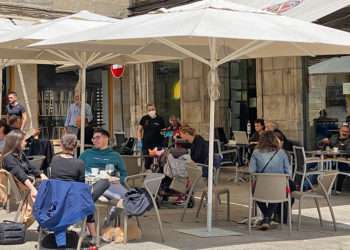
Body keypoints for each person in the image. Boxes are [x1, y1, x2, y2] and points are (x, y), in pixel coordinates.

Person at [49, 134, 109, 246]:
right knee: (103, 183)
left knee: (87, 200)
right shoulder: (79, 163)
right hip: (74, 204)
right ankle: (94, 236)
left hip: (57, 201)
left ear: (61, 145)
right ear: (75, 146)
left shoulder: (55, 159)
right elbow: (81, 186)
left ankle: (94, 236)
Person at [1, 130, 48, 226]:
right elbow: (20, 175)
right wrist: (32, 189)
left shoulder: (20, 154)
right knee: (50, 191)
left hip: (29, 182)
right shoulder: (8, 158)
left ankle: (46, 221)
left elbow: (31, 167)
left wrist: (41, 174)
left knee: (51, 186)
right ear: (16, 143)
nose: (25, 142)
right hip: (24, 186)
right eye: (23, 140)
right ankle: (47, 221)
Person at [249, 131, 292, 230]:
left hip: (261, 188)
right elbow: (288, 172)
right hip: (279, 189)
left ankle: (266, 217)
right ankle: (267, 218)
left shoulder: (256, 153)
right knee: (276, 192)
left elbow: (251, 171)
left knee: (254, 192)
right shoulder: (281, 153)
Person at [137, 104, 165, 169]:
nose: (151, 111)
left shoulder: (160, 119)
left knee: (158, 165)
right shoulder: (144, 118)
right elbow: (139, 130)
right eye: (149, 110)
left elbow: (164, 132)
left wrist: (164, 142)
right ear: (147, 111)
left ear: (155, 109)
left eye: (152, 109)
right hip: (146, 145)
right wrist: (139, 140)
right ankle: (147, 177)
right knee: (147, 164)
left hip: (158, 145)